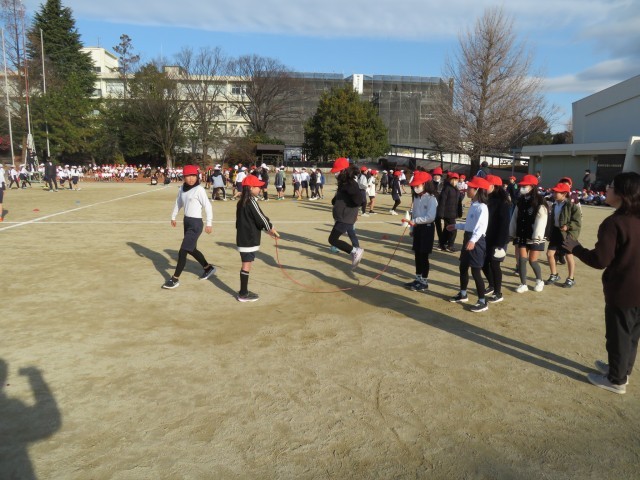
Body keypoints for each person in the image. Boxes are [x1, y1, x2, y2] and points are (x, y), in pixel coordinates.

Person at [563, 172, 640, 394]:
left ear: (623, 193)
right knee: (631, 335)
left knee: (618, 336)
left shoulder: (614, 223)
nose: (607, 189)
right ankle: (621, 370)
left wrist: (576, 248)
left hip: (623, 290)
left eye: (611, 186)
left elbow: (600, 260)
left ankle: (616, 380)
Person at [163, 165, 216, 289]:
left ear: (197, 176)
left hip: (196, 224)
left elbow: (208, 206)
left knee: (183, 251)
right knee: (191, 249)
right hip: (186, 221)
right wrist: (173, 216)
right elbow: (178, 203)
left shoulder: (199, 189)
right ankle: (208, 268)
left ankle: (175, 279)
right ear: (184, 177)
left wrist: (209, 223)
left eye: (193, 176)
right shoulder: (182, 189)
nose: (191, 179)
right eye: (188, 176)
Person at [448, 176, 490, 313]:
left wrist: (473, 240)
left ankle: (482, 301)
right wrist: (456, 226)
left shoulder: (482, 207)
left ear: (477, 190)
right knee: (463, 267)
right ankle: (463, 294)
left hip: (476, 241)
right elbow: (470, 224)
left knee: (476, 271)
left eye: (470, 188)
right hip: (469, 238)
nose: (467, 190)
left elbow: (480, 227)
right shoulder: (473, 205)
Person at [235, 174, 279, 302]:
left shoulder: (241, 202)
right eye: (258, 187)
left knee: (246, 264)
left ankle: (243, 292)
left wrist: (267, 230)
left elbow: (252, 220)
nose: (260, 189)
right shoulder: (251, 201)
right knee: (246, 265)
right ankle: (243, 294)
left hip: (242, 238)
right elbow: (260, 218)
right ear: (250, 188)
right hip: (249, 239)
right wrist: (270, 228)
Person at [509, 174, 548, 293]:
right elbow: (515, 217)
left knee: (532, 260)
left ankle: (539, 280)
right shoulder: (520, 200)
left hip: (535, 236)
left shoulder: (540, 201)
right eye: (521, 186)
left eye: (525, 186)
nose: (522, 188)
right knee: (522, 259)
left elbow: (542, 219)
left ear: (532, 186)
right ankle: (523, 284)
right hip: (522, 233)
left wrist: (537, 236)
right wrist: (512, 232)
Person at [402, 171, 437, 292]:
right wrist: (412, 228)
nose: (415, 188)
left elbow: (431, 217)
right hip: (417, 227)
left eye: (418, 185)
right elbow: (414, 214)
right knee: (417, 254)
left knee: (424, 256)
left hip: (427, 229)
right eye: (414, 186)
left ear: (425, 184)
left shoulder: (431, 198)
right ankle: (417, 278)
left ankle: (424, 281)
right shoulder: (416, 197)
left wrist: (415, 221)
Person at [328, 157, 365, 270]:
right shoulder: (344, 182)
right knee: (349, 233)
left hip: (345, 217)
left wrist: (351, 209)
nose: (335, 174)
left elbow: (359, 200)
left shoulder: (350, 183)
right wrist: (336, 201)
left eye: (337, 171)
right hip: (343, 217)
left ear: (344, 170)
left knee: (332, 239)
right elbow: (342, 196)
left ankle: (355, 251)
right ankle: (354, 251)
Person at [544, 182, 582, 288]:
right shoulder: (555, 204)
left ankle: (571, 278)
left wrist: (568, 226)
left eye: (557, 192)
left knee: (569, 255)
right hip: (556, 232)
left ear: (564, 194)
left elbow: (577, 221)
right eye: (554, 192)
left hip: (567, 234)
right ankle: (554, 275)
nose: (554, 194)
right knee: (550, 254)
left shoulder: (572, 205)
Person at [482, 175, 511, 303]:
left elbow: (504, 224)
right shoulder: (485, 199)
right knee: (483, 263)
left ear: (494, 186)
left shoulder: (503, 202)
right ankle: (491, 284)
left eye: (486, 185)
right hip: (486, 237)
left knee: (494, 264)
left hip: (498, 239)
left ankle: (498, 293)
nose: (484, 187)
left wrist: (500, 244)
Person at [436, 172, 460, 252]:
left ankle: (441, 244)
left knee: (447, 229)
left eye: (456, 179)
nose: (455, 181)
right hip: (447, 213)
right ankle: (450, 245)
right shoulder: (447, 188)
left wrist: (459, 212)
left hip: (453, 212)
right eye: (453, 179)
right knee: (453, 229)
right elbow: (442, 201)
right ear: (450, 180)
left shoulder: (456, 189)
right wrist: (440, 213)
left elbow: (458, 202)